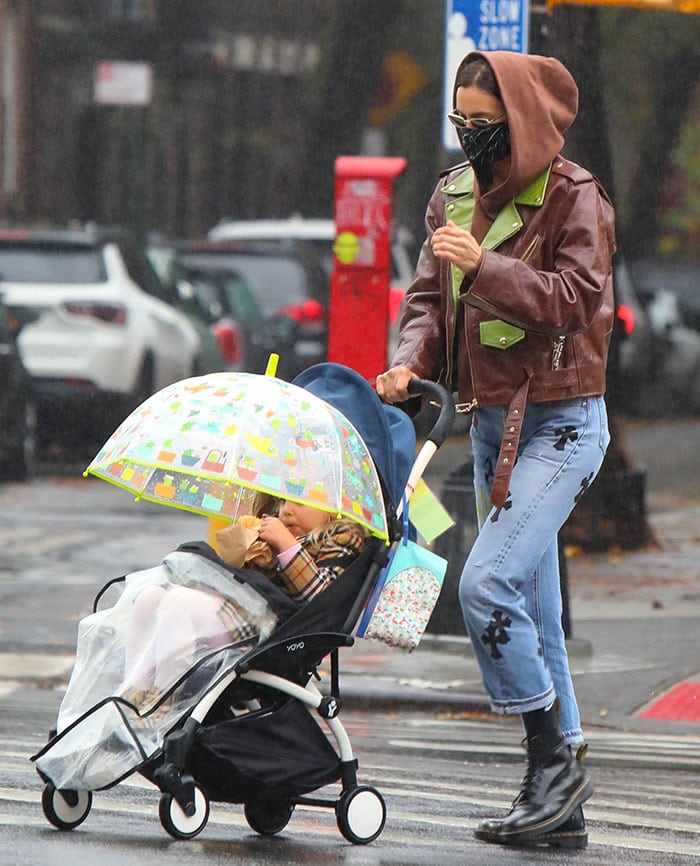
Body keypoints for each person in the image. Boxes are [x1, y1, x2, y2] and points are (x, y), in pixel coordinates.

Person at [376, 50, 615, 850]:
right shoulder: (449, 194)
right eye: (459, 121)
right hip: (488, 428)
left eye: (484, 124)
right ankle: (559, 802)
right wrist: (410, 358)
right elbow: (425, 301)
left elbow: (576, 302)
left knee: (486, 586)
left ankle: (551, 762)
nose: (469, 137)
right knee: (537, 617)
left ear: (524, 121)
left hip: (562, 422)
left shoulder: (576, 197)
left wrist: (489, 267)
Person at [122, 498, 371, 710]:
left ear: (334, 508)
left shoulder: (342, 538)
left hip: (272, 630)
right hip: (240, 608)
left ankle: (164, 701)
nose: (286, 510)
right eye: (283, 500)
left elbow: (323, 598)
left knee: (177, 604)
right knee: (150, 597)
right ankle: (134, 693)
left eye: (300, 502)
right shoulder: (277, 528)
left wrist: (287, 546)